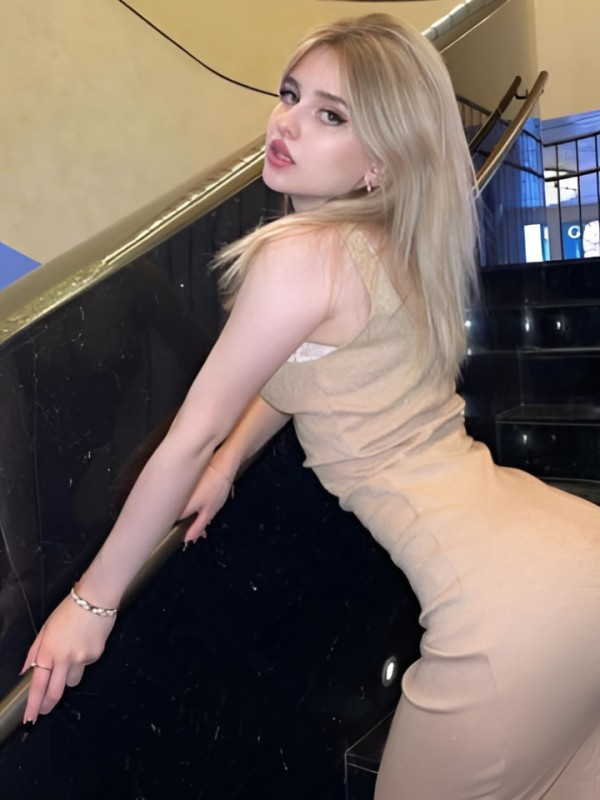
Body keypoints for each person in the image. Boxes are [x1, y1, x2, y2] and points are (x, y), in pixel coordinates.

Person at [22, 14, 599, 799]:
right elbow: (304, 376)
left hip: (506, 609)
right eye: (291, 95)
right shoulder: (399, 247)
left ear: (380, 161)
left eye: (331, 115)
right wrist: (231, 462)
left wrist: (91, 604)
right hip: (575, 548)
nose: (288, 122)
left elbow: (190, 434)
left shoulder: (299, 255)